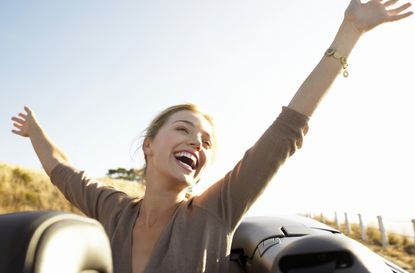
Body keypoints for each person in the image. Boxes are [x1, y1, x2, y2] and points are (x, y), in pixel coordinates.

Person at [11, 1, 412, 273]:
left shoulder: (215, 210)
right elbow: (63, 170)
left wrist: (350, 31)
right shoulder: (113, 210)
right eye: (183, 129)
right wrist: (35, 132)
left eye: (206, 142)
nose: (197, 143)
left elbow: (286, 130)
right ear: (149, 146)